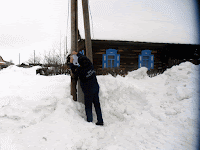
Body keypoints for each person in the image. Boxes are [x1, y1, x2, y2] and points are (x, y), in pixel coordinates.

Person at [69, 51, 104, 126]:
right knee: (97, 105)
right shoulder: (90, 65)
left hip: (88, 91)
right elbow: (85, 58)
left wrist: (71, 63)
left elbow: (74, 72)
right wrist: (77, 53)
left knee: (88, 106)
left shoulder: (81, 71)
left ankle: (89, 122)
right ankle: (100, 120)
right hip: (95, 88)